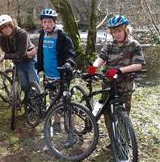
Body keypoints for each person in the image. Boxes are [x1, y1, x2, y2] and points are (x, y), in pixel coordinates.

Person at [88, 15, 145, 151]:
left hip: (125, 86)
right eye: (114, 32)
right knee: (108, 114)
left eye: (119, 31)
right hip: (108, 85)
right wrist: (93, 67)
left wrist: (119, 70)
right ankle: (113, 140)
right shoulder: (109, 45)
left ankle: (124, 140)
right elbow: (101, 58)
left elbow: (139, 65)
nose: (117, 34)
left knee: (123, 114)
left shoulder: (133, 45)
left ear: (126, 29)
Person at [36, 8, 77, 147]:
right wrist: (38, 65)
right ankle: (57, 123)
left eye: (50, 22)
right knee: (53, 101)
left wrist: (68, 63)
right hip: (48, 75)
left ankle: (72, 132)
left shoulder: (62, 36)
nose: (47, 24)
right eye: (44, 22)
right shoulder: (42, 35)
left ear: (55, 22)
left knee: (66, 105)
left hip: (61, 76)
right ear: (42, 23)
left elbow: (71, 53)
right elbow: (41, 52)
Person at [0, 14, 40, 95]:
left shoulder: (22, 33)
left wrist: (5, 56)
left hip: (29, 61)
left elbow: (19, 54)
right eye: (2, 28)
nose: (5, 30)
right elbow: (11, 53)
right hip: (18, 62)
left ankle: (37, 103)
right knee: (24, 86)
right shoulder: (2, 38)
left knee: (33, 84)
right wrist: (26, 54)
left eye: (6, 26)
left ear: (11, 24)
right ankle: (28, 103)